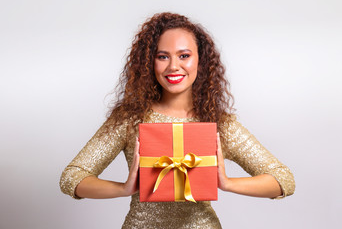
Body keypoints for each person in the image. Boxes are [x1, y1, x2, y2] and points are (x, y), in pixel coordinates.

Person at [60, 12, 295, 228]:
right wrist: (124, 188)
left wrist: (227, 183)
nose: (174, 66)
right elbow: (72, 177)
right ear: (149, 63)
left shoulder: (219, 124)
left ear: (200, 61)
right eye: (162, 56)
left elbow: (283, 180)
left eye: (184, 55)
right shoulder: (129, 119)